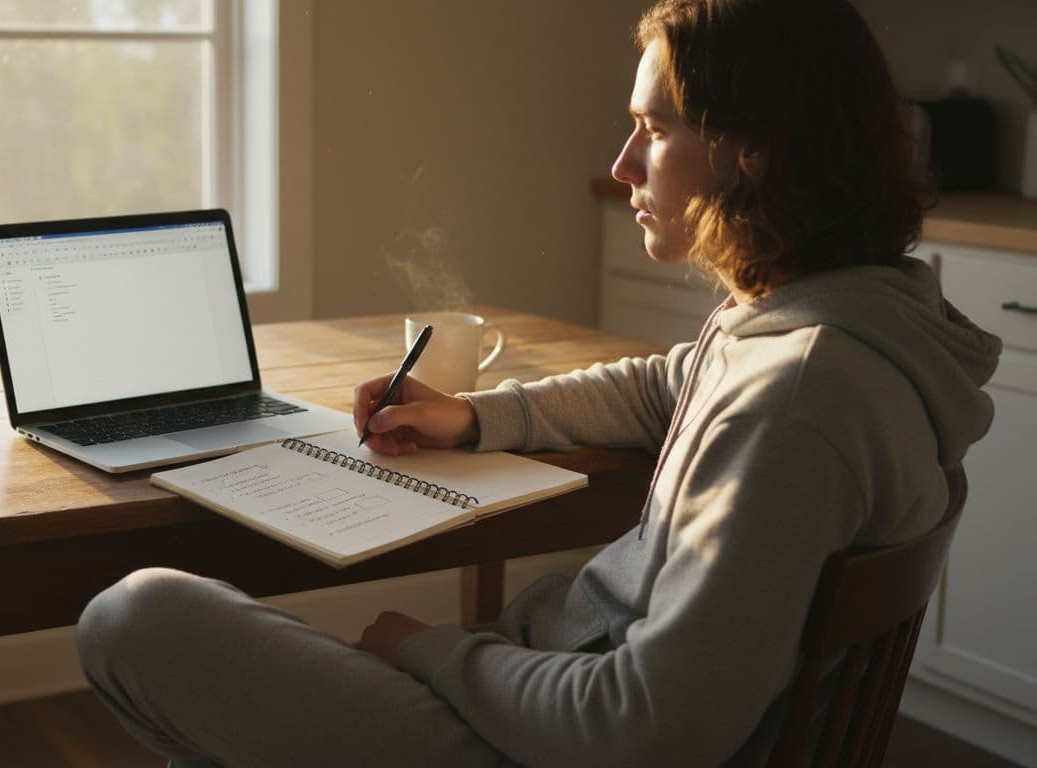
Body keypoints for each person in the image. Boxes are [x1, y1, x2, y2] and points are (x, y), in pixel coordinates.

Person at [75, 0, 1001, 765]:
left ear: (751, 149)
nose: (621, 165)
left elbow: (646, 728)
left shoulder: (798, 402)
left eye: (654, 128)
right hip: (543, 686)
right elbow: (663, 387)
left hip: (558, 746)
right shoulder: (838, 323)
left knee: (136, 617)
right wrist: (471, 417)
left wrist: (430, 649)